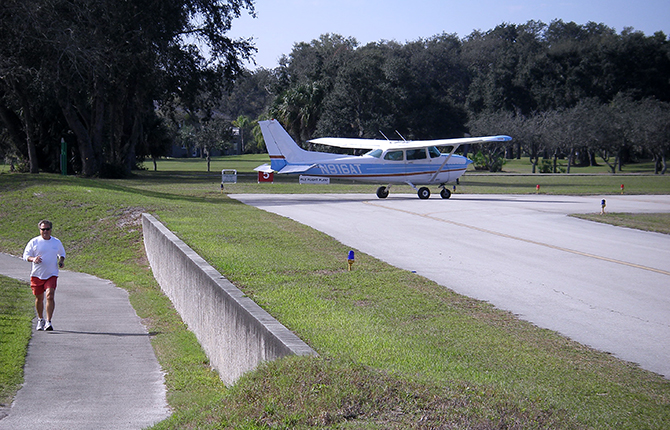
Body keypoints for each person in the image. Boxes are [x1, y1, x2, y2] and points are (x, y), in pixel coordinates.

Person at [23, 220, 66, 331]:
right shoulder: (34, 242)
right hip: (37, 274)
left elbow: (62, 254)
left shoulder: (56, 242)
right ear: (40, 230)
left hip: (51, 273)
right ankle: (40, 319)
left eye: (47, 229)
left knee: (50, 295)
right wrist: (33, 259)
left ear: (51, 230)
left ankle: (48, 321)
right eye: (43, 229)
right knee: (39, 298)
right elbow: (26, 255)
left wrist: (61, 261)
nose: (45, 231)